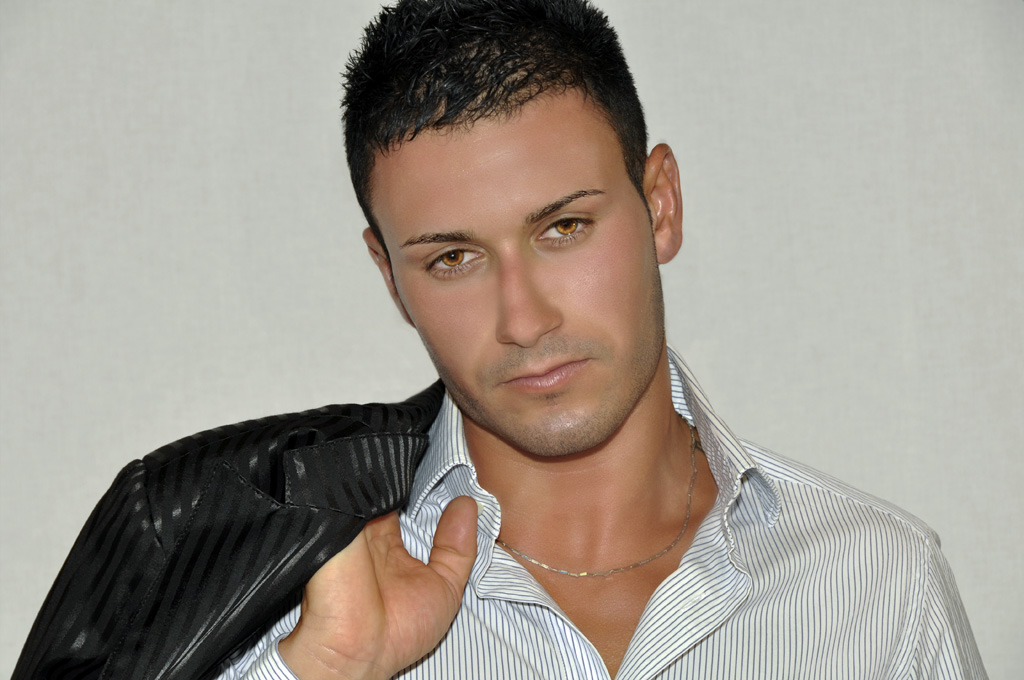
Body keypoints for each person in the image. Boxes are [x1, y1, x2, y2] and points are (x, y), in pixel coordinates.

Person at [16, 1, 986, 679]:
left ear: (660, 205)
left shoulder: (876, 583)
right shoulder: (258, 581)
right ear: (389, 275)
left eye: (563, 228)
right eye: (453, 258)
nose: (524, 320)